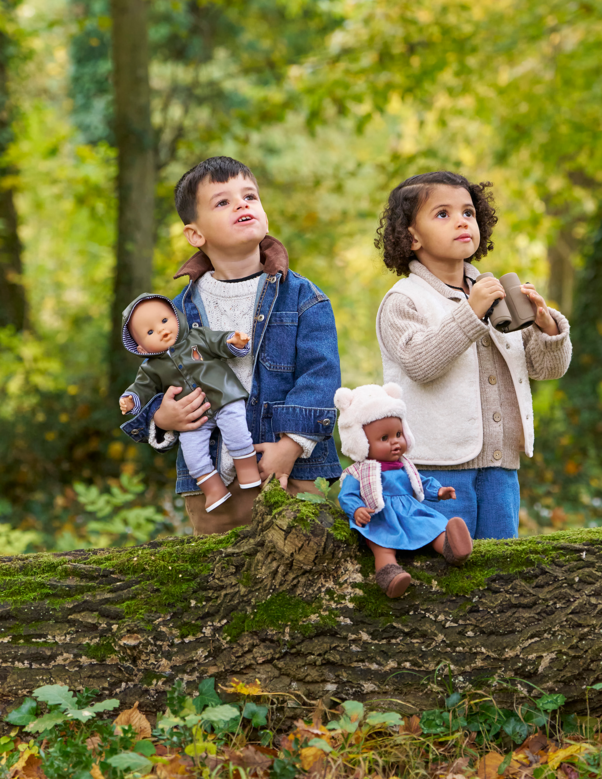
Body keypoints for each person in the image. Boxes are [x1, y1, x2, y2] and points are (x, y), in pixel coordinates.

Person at [120, 156, 342, 534]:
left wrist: (289, 447)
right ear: (195, 235)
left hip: (292, 470)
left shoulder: (304, 298)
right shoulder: (174, 314)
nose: (242, 204)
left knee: (305, 568)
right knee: (223, 583)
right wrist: (160, 417)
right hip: (212, 483)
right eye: (223, 202)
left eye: (250, 196)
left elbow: (321, 375)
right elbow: (156, 379)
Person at [375, 171, 572, 540]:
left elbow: (547, 369)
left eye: (468, 212)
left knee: (500, 570)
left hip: (502, 467)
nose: (462, 220)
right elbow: (420, 364)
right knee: (446, 569)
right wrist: (471, 312)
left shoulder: (494, 294)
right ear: (411, 236)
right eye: (443, 214)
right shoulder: (404, 300)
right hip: (437, 469)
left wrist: (546, 328)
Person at [119, 293, 261, 513]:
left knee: (237, 432)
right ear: (141, 349)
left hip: (224, 396)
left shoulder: (197, 337)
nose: (162, 330)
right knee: (192, 453)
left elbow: (218, 341)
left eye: (165, 321)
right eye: (150, 332)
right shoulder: (151, 368)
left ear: (177, 317)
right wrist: (131, 400)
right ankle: (213, 489)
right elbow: (142, 388)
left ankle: (247, 469)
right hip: (192, 417)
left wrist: (233, 341)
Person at [336, 383, 472, 598]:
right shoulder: (358, 472)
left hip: (410, 511)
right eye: (384, 438)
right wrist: (357, 509)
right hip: (381, 517)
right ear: (361, 442)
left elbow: (421, 483)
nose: (395, 442)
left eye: (398, 434)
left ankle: (451, 548)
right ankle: (389, 574)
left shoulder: (405, 465)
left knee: (432, 526)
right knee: (382, 546)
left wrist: (438, 491)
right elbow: (347, 495)